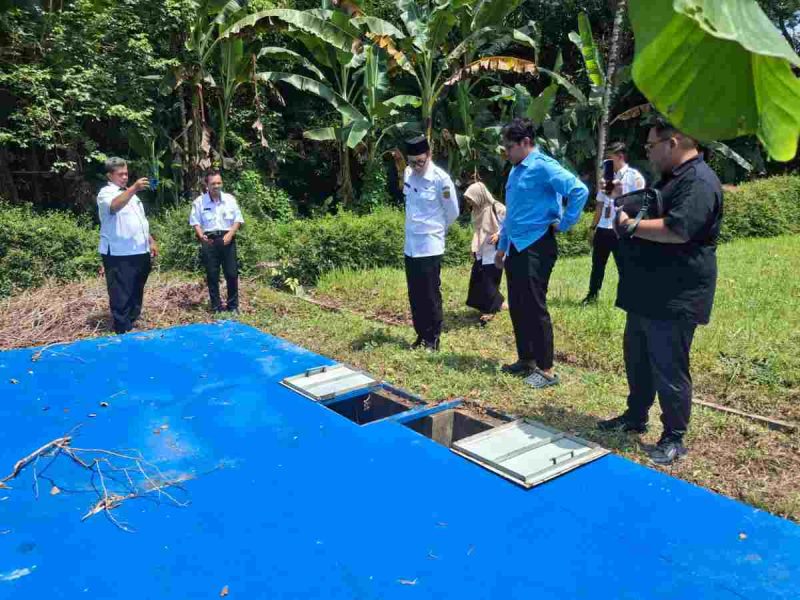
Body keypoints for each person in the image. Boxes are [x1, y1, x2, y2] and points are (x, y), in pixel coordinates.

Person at [599, 119, 723, 466]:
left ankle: (674, 437)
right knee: (638, 358)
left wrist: (630, 226)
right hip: (648, 290)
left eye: (651, 147)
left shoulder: (699, 182)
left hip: (676, 293)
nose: (649, 155)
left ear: (674, 142)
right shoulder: (672, 179)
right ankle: (635, 416)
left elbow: (679, 229)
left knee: (669, 367)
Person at [494, 119, 588, 387]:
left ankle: (546, 369)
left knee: (535, 307)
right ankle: (527, 359)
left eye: (510, 147)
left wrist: (565, 222)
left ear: (526, 143)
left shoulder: (544, 166)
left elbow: (579, 190)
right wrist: (502, 248)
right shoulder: (516, 170)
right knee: (518, 305)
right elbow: (512, 213)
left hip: (537, 245)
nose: (507, 152)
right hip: (515, 246)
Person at [403, 135, 459, 351]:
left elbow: (452, 212)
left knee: (430, 294)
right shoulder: (408, 173)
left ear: (429, 155)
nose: (416, 166)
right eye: (412, 162)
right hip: (411, 245)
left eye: (420, 161)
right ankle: (420, 334)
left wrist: (436, 230)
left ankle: (432, 339)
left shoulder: (440, 179)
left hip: (430, 245)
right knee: (415, 294)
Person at [97, 157, 157, 334]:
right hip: (118, 252)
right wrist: (133, 188)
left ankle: (132, 320)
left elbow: (140, 221)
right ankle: (122, 327)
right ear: (110, 175)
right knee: (120, 290)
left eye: (126, 174)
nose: (125, 177)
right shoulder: (106, 193)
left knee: (137, 288)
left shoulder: (132, 196)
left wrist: (151, 241)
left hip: (139, 250)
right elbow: (114, 207)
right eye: (120, 174)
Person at [582, 142, 645, 305]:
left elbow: (638, 205)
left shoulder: (634, 177)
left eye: (610, 159)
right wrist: (593, 227)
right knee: (597, 266)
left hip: (621, 229)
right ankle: (592, 296)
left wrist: (620, 193)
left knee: (624, 266)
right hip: (604, 228)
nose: (607, 163)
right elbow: (600, 204)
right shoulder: (607, 178)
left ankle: (628, 298)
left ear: (620, 156)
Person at [189, 170, 244, 313]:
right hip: (209, 241)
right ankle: (216, 306)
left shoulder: (230, 199)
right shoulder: (199, 202)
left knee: (231, 273)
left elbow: (238, 219)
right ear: (207, 185)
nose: (216, 186)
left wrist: (231, 234)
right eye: (213, 183)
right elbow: (195, 222)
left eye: (219, 183)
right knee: (212, 275)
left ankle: (233, 306)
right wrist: (201, 235)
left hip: (227, 239)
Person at [464, 181, 507, 321]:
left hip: (495, 251)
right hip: (482, 250)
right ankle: (498, 302)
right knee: (478, 279)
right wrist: (474, 247)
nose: (470, 203)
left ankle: (490, 310)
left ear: (479, 196)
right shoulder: (477, 210)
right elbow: (477, 231)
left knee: (490, 280)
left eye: (471, 199)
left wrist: (499, 234)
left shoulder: (497, 208)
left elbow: (510, 224)